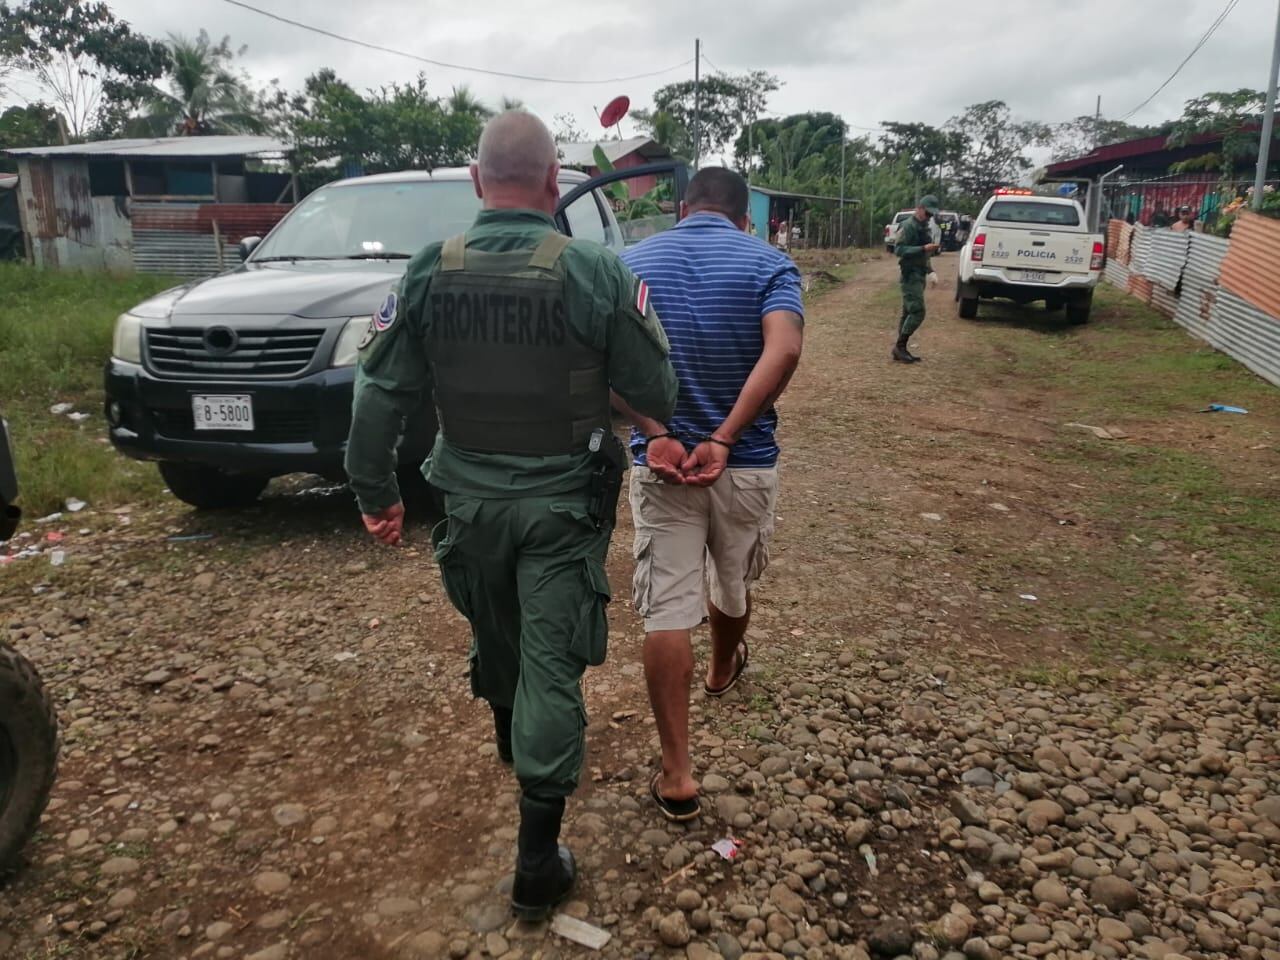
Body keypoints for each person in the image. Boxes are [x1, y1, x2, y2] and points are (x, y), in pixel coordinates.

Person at [344, 111, 678, 919]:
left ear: (476, 180)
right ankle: (536, 862)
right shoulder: (595, 271)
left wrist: (375, 493)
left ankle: (511, 741)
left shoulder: (428, 270)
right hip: (560, 510)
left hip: (467, 503)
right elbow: (657, 393)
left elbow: (378, 392)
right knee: (550, 662)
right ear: (555, 178)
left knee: (495, 631)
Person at [613, 167, 804, 822]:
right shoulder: (770, 262)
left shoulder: (628, 263)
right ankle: (724, 667)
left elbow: (596, 363)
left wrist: (655, 430)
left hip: (662, 465)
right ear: (742, 215)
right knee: (733, 583)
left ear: (680, 207)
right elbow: (784, 351)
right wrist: (723, 436)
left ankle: (677, 774)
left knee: (667, 608)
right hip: (743, 461)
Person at [893, 195, 941, 363]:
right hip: (909, 275)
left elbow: (925, 254)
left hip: (919, 274)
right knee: (918, 311)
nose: (928, 217)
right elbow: (899, 250)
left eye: (931, 215)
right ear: (919, 208)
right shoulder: (908, 226)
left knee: (908, 312)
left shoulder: (924, 228)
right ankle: (900, 346)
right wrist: (922, 248)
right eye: (927, 213)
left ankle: (900, 350)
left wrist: (930, 271)